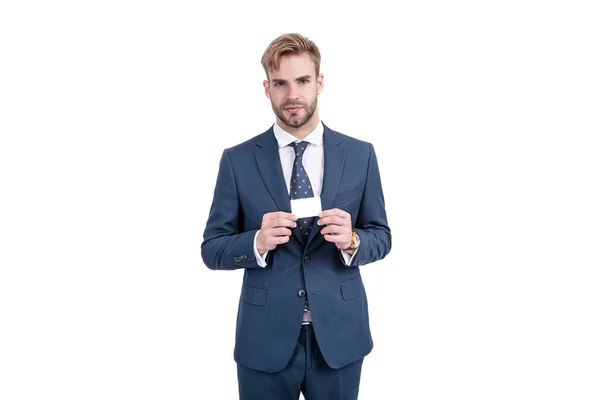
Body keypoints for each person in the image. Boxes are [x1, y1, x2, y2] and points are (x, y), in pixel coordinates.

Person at [201, 33, 391, 400]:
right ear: (266, 88)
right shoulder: (238, 160)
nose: (293, 95)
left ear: (319, 82)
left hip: (339, 338)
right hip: (264, 338)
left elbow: (381, 235)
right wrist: (255, 241)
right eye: (280, 83)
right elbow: (212, 249)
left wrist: (353, 240)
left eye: (303, 81)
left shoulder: (360, 154)